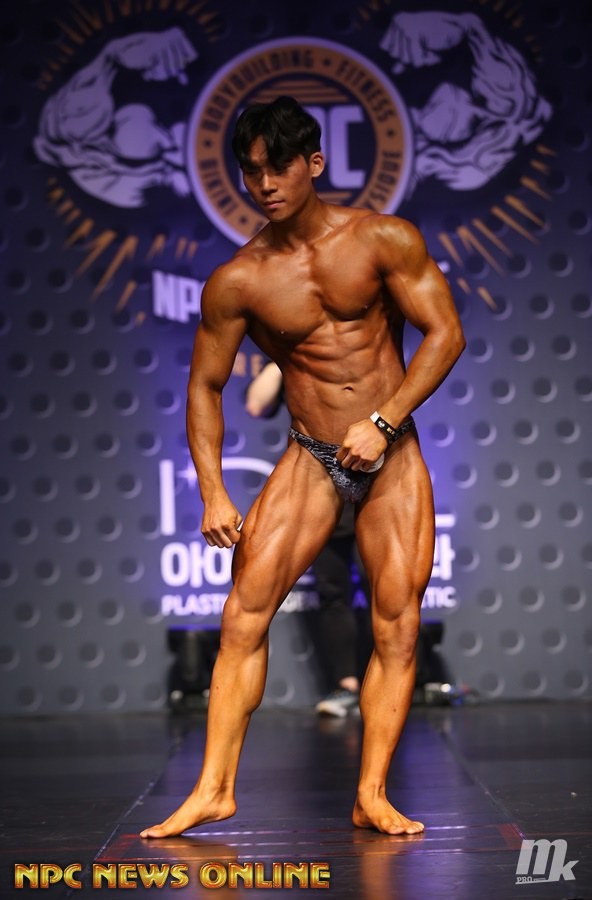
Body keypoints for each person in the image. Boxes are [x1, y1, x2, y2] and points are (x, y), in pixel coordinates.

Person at [141, 95, 465, 838]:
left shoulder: (382, 239)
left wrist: (383, 422)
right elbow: (205, 388)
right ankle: (214, 790)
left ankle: (371, 794)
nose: (265, 183)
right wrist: (214, 492)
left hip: (392, 451)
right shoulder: (239, 280)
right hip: (311, 455)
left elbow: (446, 334)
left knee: (397, 626)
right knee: (242, 616)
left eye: (279, 166)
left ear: (313, 163)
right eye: (252, 171)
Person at [245, 361, 369, 718]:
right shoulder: (296, 359)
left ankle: (393, 683)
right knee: (332, 591)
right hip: (323, 488)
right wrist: (282, 357)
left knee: (389, 591)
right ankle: (347, 686)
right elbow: (256, 405)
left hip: (376, 481)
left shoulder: (359, 348)